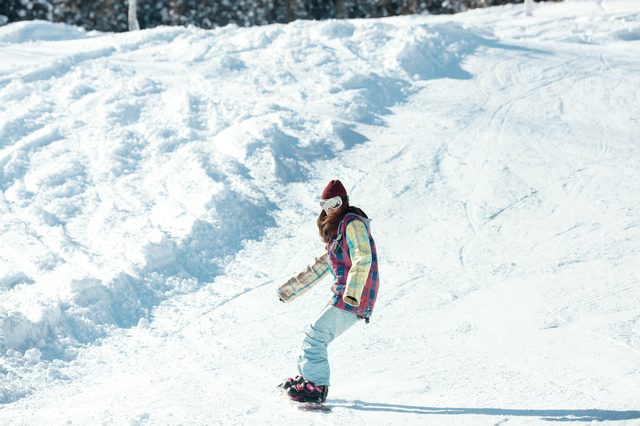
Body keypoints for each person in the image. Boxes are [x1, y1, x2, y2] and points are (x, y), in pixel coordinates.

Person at [277, 179, 379, 403]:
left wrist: (352, 292)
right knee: (313, 334)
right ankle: (307, 380)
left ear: (343, 202)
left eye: (334, 202)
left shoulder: (352, 223)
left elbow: (363, 256)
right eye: (324, 204)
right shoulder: (338, 233)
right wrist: (289, 291)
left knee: (316, 336)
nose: (329, 209)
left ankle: (317, 386)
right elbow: (319, 267)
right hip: (346, 294)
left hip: (353, 295)